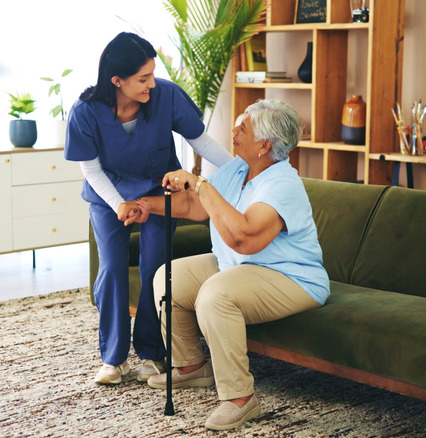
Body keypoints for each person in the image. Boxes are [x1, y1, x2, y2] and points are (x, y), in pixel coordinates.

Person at [131, 99, 330, 430]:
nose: (233, 132)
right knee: (170, 277)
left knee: (216, 295)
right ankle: (192, 366)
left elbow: (245, 238)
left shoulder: (282, 184)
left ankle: (241, 398)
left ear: (264, 145)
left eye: (243, 128)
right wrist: (145, 206)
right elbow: (195, 205)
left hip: (290, 277)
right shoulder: (238, 169)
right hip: (238, 267)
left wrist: (198, 183)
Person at [64, 32, 233, 386]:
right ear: (117, 81)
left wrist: (240, 172)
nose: (151, 83)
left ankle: (151, 352)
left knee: (156, 268)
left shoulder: (165, 95)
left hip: (160, 190)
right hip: (108, 194)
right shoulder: (85, 112)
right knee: (111, 268)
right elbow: (91, 169)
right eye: (143, 78)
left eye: (152, 74)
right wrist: (119, 204)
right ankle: (112, 358)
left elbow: (199, 140)